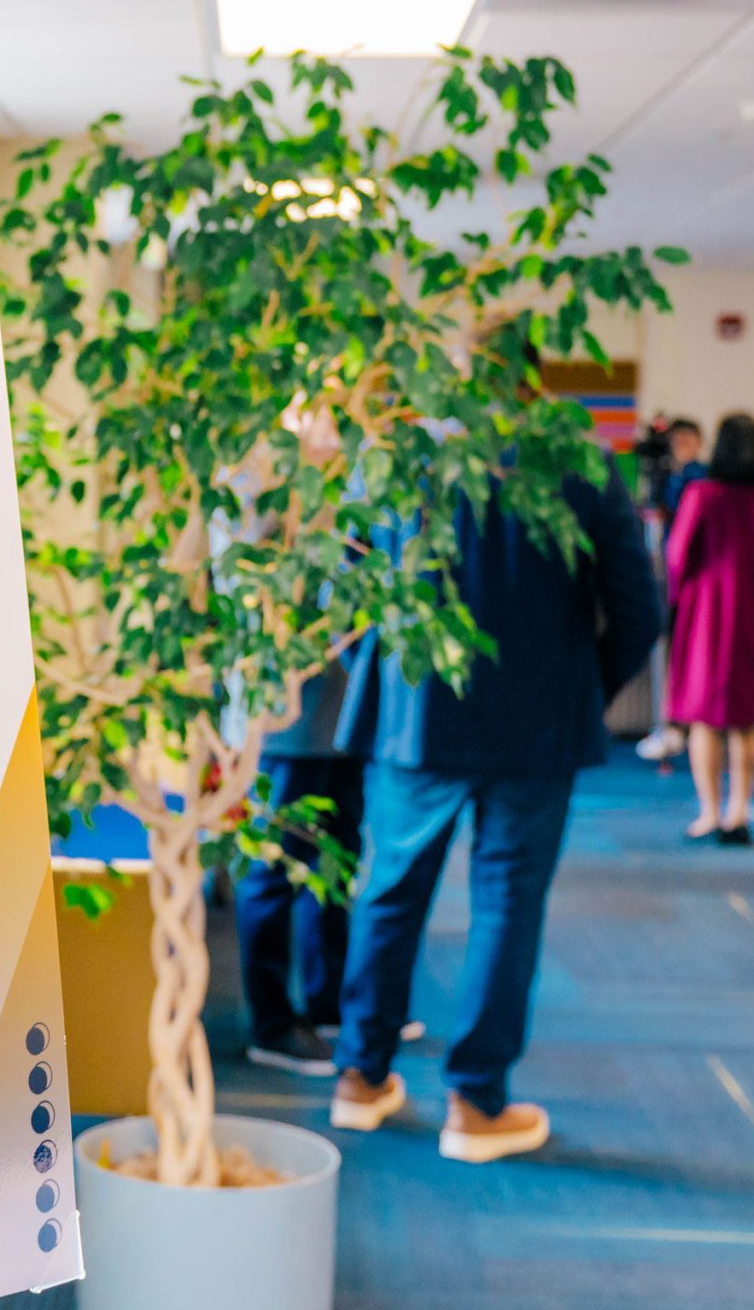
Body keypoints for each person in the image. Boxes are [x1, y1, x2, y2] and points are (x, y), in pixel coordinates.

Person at [327, 461, 661, 1163]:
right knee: (507, 903)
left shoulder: (397, 457)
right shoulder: (581, 466)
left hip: (416, 717)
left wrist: (389, 676)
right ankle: (475, 1105)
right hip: (537, 727)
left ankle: (360, 1078)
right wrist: (582, 689)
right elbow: (639, 608)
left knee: (389, 892)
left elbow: (343, 591)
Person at [234, 660, 359, 1076]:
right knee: (271, 872)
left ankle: (328, 1001)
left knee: (333, 864)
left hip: (342, 719)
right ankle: (272, 1025)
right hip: (285, 722)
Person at [667, 413, 754, 845]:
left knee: (704, 717)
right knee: (746, 719)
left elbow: (678, 555)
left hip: (705, 612)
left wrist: (680, 598)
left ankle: (708, 813)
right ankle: (738, 814)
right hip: (753, 608)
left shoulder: (702, 495)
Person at [635, 417, 707, 763]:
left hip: (696, 578)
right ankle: (673, 725)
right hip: (667, 576)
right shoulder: (664, 476)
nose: (679, 446)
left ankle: (691, 725)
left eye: (686, 440)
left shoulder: (701, 479)